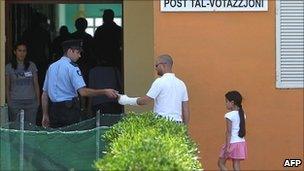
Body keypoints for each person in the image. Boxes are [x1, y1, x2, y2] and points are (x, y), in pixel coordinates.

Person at [41, 39, 118, 128]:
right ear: (70, 51)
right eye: (77, 52)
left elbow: (44, 94)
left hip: (54, 110)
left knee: (56, 138)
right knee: (72, 139)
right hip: (69, 110)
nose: (80, 55)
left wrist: (45, 114)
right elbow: (83, 92)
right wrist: (105, 91)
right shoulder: (72, 67)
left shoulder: (51, 67)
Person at [118, 54, 190, 126]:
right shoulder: (181, 84)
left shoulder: (160, 81)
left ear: (163, 65)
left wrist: (125, 100)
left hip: (162, 122)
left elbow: (144, 101)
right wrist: (184, 128)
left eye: (156, 65)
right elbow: (185, 109)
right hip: (177, 124)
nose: (155, 68)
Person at [5, 42, 40, 125]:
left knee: (30, 128)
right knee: (15, 128)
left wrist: (38, 101)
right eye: (19, 50)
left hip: (31, 101)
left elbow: (36, 84)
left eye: (24, 51)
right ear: (15, 52)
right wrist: (9, 101)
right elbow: (7, 85)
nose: (22, 53)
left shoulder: (32, 65)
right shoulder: (9, 67)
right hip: (15, 101)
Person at [218, 91, 247, 171]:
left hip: (232, 143)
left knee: (220, 163)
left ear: (232, 102)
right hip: (241, 142)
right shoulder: (242, 114)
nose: (226, 103)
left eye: (226, 101)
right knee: (236, 164)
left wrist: (227, 147)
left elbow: (228, 132)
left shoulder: (229, 115)